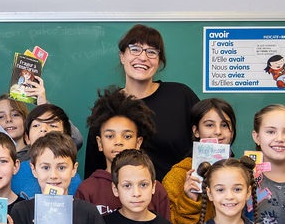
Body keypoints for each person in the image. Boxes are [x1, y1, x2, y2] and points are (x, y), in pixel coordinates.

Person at [84, 25, 200, 180]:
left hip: (179, 200)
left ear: (159, 62)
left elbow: (209, 142)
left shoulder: (181, 96)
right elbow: (94, 170)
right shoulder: (108, 107)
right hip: (124, 201)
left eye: (151, 52)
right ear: (122, 56)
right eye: (135, 49)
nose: (143, 58)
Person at [76, 86, 170, 218]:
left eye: (127, 136)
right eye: (110, 136)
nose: (118, 142)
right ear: (99, 143)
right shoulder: (87, 190)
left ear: (138, 143)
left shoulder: (155, 189)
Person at [163, 98, 237, 224]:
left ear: (232, 131)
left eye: (225, 125)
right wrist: (189, 200)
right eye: (209, 125)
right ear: (196, 131)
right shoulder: (178, 175)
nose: (218, 132)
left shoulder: (241, 172)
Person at [12, 103, 83, 199]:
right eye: (36, 125)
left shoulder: (73, 179)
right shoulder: (15, 174)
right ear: (27, 137)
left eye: (53, 125)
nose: (43, 129)